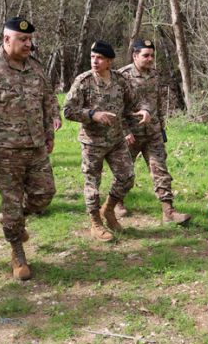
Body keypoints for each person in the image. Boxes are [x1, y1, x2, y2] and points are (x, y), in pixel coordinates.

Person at [0, 18, 59, 280]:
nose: (28, 44)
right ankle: (17, 252)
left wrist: (49, 133)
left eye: (30, 39)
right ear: (7, 39)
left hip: (36, 144)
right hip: (5, 148)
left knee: (44, 194)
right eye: (23, 39)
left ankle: (14, 219)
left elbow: (48, 100)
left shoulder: (36, 66)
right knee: (11, 201)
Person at [63, 40, 150, 242]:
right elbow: (68, 110)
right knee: (92, 184)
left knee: (127, 177)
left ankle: (108, 209)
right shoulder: (83, 81)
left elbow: (134, 100)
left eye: (100, 58)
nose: (95, 61)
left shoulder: (120, 79)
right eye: (92, 57)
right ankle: (95, 223)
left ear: (109, 61)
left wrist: (144, 109)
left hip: (116, 140)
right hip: (92, 142)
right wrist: (92, 115)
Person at [115, 39, 190, 225]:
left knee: (160, 170)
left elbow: (158, 104)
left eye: (152, 56)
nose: (150, 59)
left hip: (153, 132)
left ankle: (168, 211)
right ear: (135, 56)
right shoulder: (122, 76)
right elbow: (116, 107)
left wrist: (161, 128)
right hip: (131, 134)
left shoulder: (155, 75)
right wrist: (124, 130)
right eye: (146, 55)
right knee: (125, 172)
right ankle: (116, 203)